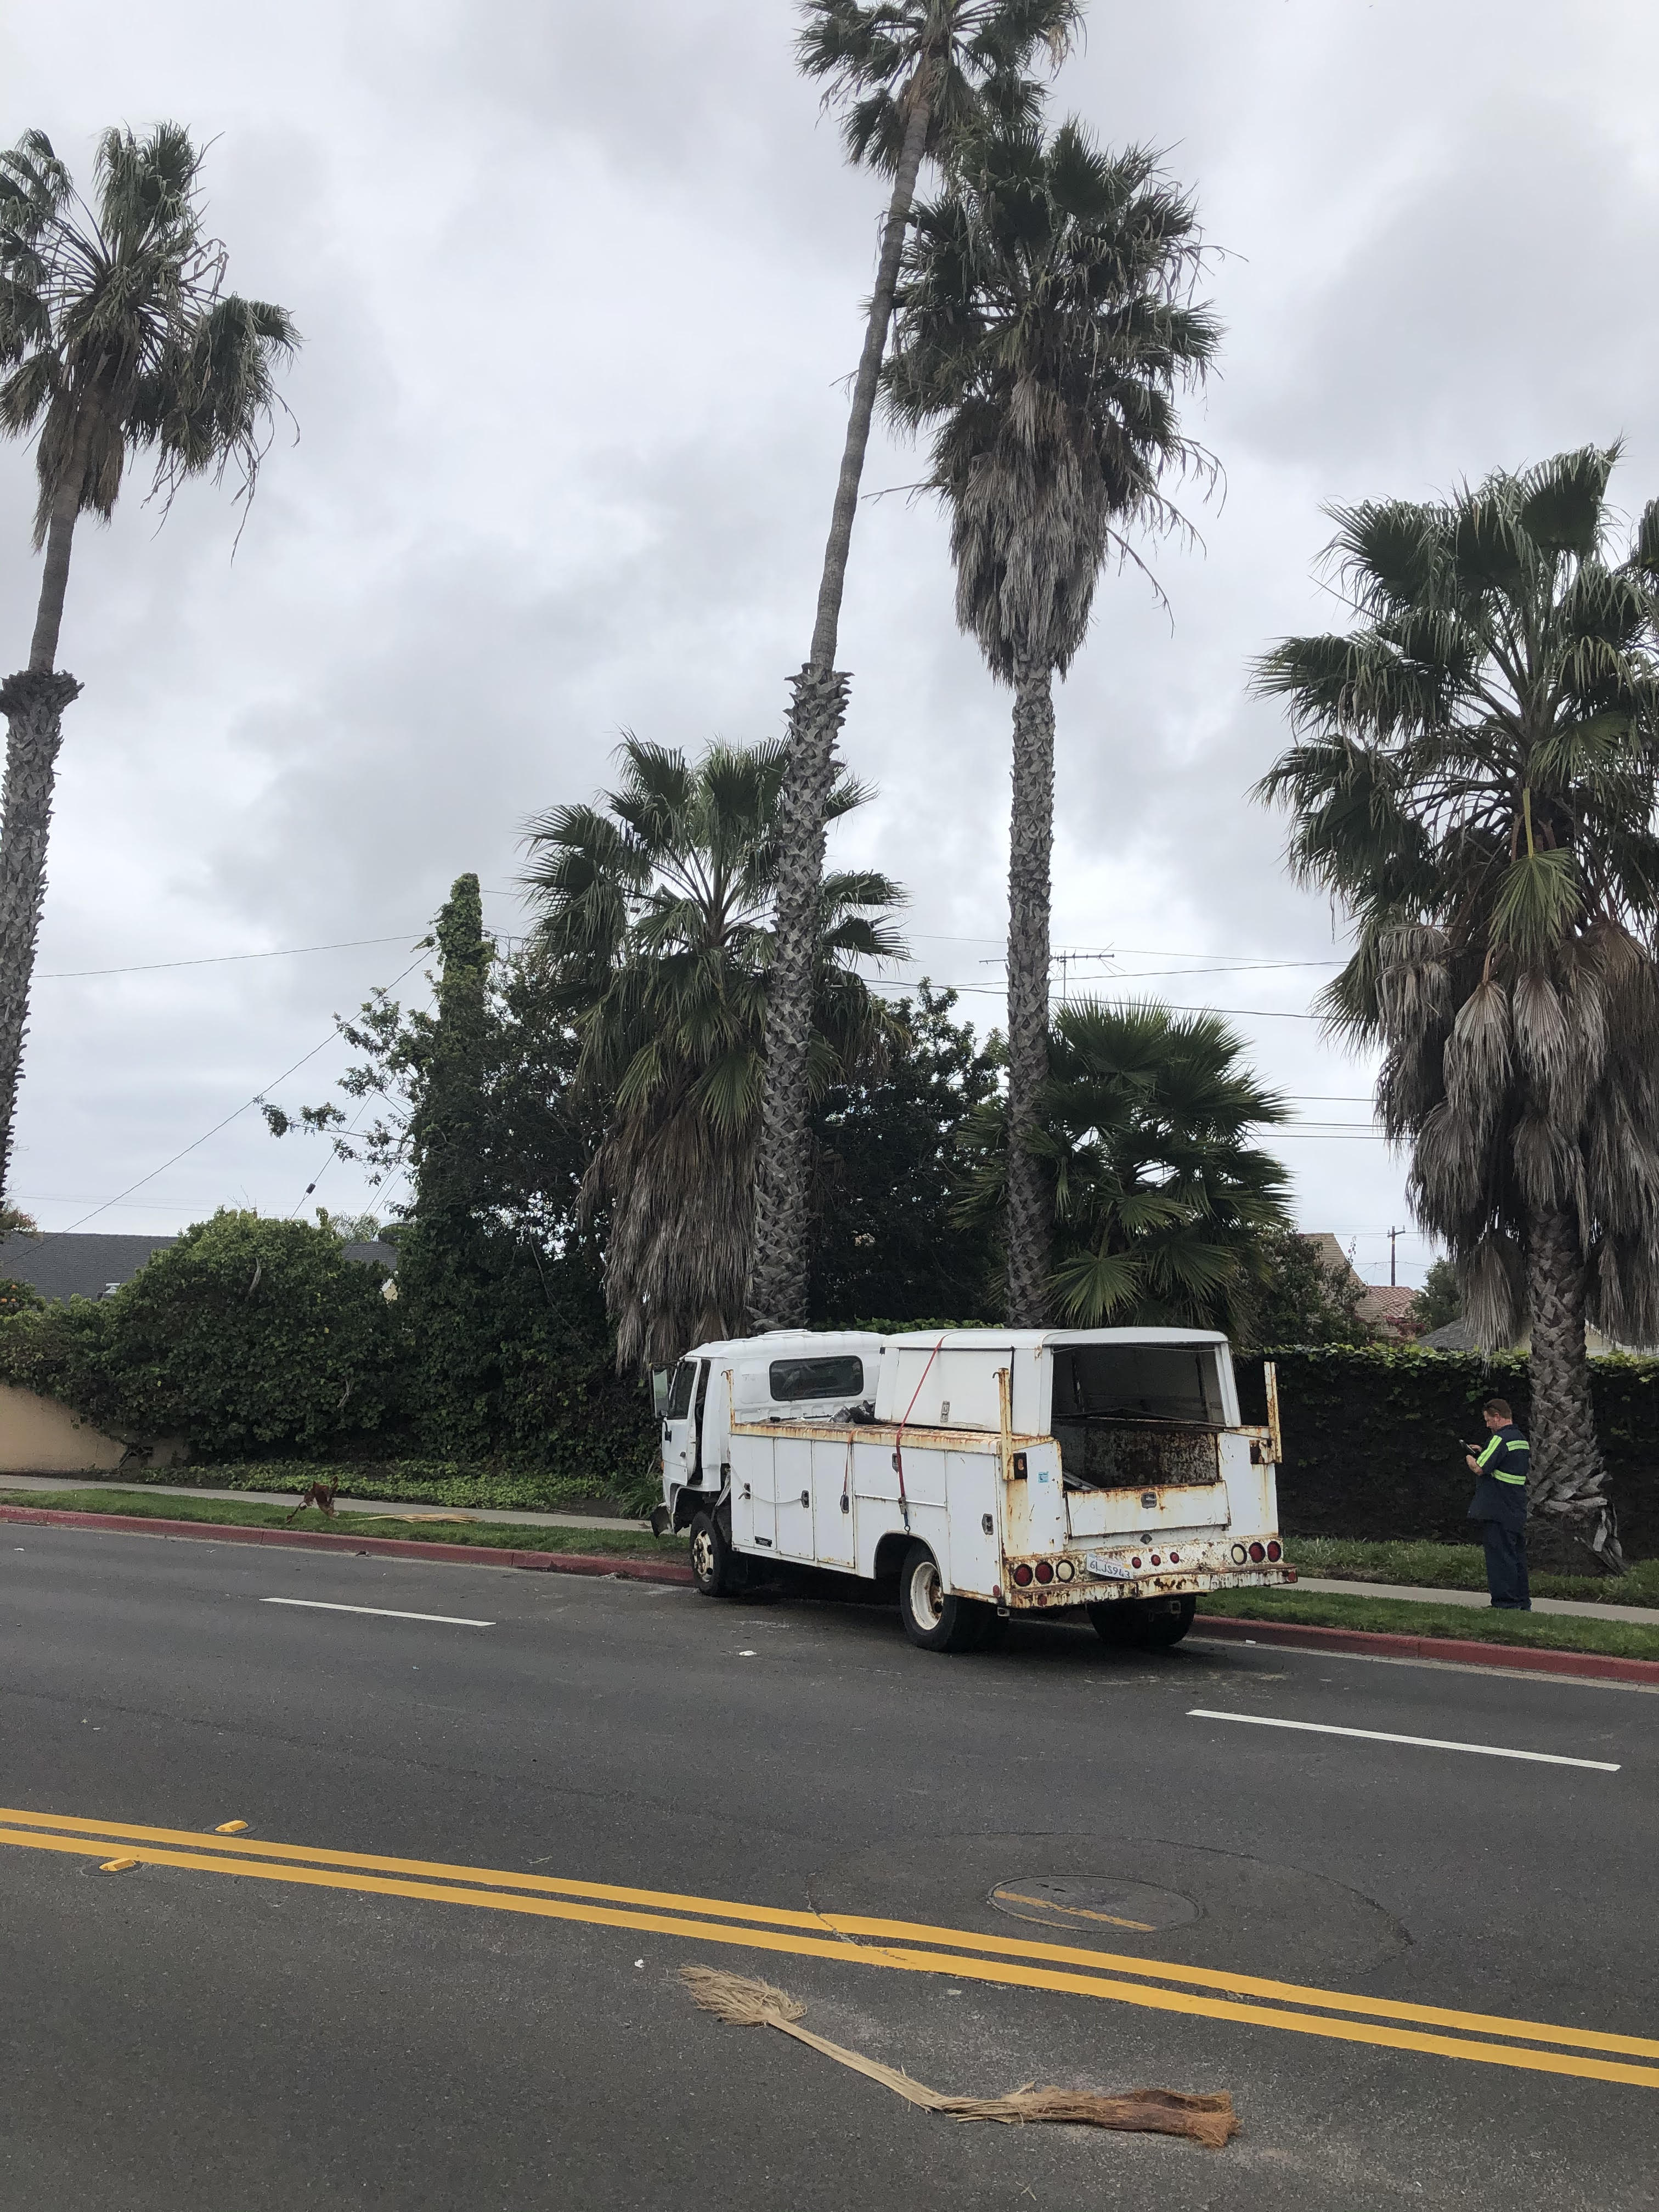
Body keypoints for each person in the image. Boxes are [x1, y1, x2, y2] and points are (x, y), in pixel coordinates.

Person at [1465, 1397, 1531, 1610]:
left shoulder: (1499, 1439)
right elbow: (1504, 1465)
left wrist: (1469, 1457)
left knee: (1499, 1558)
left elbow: (1480, 1468)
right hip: (1515, 1507)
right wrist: (1482, 1451)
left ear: (1497, 1416)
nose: (1487, 1425)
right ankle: (1522, 1602)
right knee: (1516, 1558)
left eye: (1488, 1420)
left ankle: (1504, 1604)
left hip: (1496, 1509)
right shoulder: (1520, 1439)